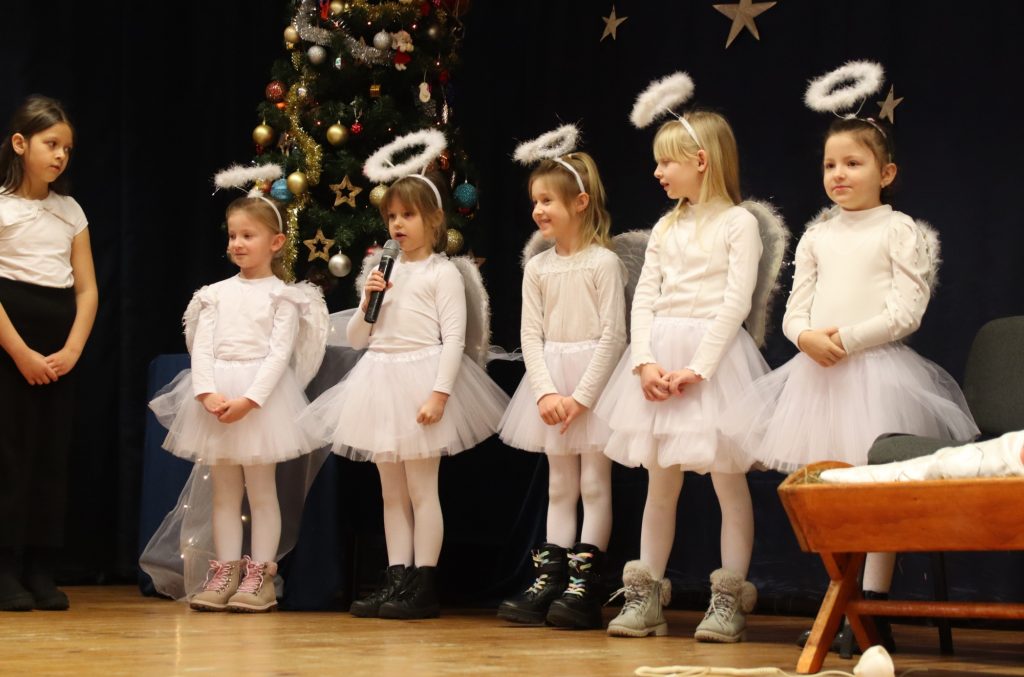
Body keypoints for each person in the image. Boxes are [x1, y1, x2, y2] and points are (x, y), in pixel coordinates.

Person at [723, 113, 978, 650]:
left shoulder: (898, 229)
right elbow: (795, 308)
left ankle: (873, 608)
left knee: (872, 493)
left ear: (886, 173)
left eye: (853, 163)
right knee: (832, 496)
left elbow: (906, 310)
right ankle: (842, 602)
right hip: (819, 379)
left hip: (877, 375)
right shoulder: (818, 235)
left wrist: (845, 340)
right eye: (830, 165)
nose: (838, 174)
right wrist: (803, 338)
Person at [301, 170, 509, 620]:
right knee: (390, 492)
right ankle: (397, 576)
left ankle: (424, 582)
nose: (397, 224)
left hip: (421, 378)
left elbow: (453, 339)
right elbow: (357, 339)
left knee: (421, 489)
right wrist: (367, 302)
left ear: (433, 220)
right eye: (392, 216)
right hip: (379, 378)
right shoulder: (383, 271)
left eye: (408, 215)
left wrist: (439, 394)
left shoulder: (443, 273)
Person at [596, 112, 770, 642]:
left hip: (713, 363)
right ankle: (646, 595)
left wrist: (699, 368)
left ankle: (729, 597)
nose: (657, 172)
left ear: (701, 161)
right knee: (660, 481)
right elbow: (645, 296)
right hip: (661, 354)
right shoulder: (666, 227)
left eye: (666, 162)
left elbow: (736, 301)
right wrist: (645, 361)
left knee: (727, 481)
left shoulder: (738, 223)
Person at [149, 191, 327, 613]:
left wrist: (250, 400)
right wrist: (206, 392)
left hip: (260, 402)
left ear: (276, 242)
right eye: (232, 235)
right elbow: (202, 348)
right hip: (218, 396)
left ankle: (260, 578)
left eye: (248, 235)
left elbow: (279, 356)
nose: (237, 243)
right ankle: (225, 572)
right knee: (225, 493)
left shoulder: (284, 297)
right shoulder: (213, 295)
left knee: (262, 492)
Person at [496, 149, 626, 630]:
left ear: (580, 202)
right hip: (551, 383)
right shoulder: (538, 267)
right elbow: (531, 335)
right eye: (535, 201)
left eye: (548, 200)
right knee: (559, 485)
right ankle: (550, 580)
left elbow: (614, 336)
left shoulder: (604, 263)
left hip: (595, 386)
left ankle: (583, 586)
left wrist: (581, 397)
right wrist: (546, 393)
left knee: (593, 483)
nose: (538, 210)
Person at [0, 95, 98, 612]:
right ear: (21, 144)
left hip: (58, 350)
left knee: (49, 458)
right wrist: (20, 352)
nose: (60, 155)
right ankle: (5, 568)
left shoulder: (70, 210)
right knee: (9, 456)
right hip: (10, 345)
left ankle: (40, 566)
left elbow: (87, 288)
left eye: (67, 148)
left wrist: (72, 348)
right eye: (51, 144)